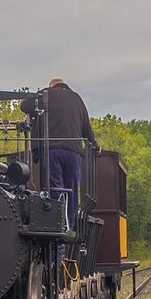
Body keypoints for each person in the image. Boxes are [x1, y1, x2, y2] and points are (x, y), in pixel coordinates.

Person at [35, 77, 97, 227]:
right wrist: (95, 145)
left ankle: (57, 223)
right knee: (72, 190)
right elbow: (86, 126)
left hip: (52, 150)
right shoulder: (77, 98)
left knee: (55, 189)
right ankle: (71, 226)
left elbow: (24, 105)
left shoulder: (46, 94)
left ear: (51, 86)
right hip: (73, 152)